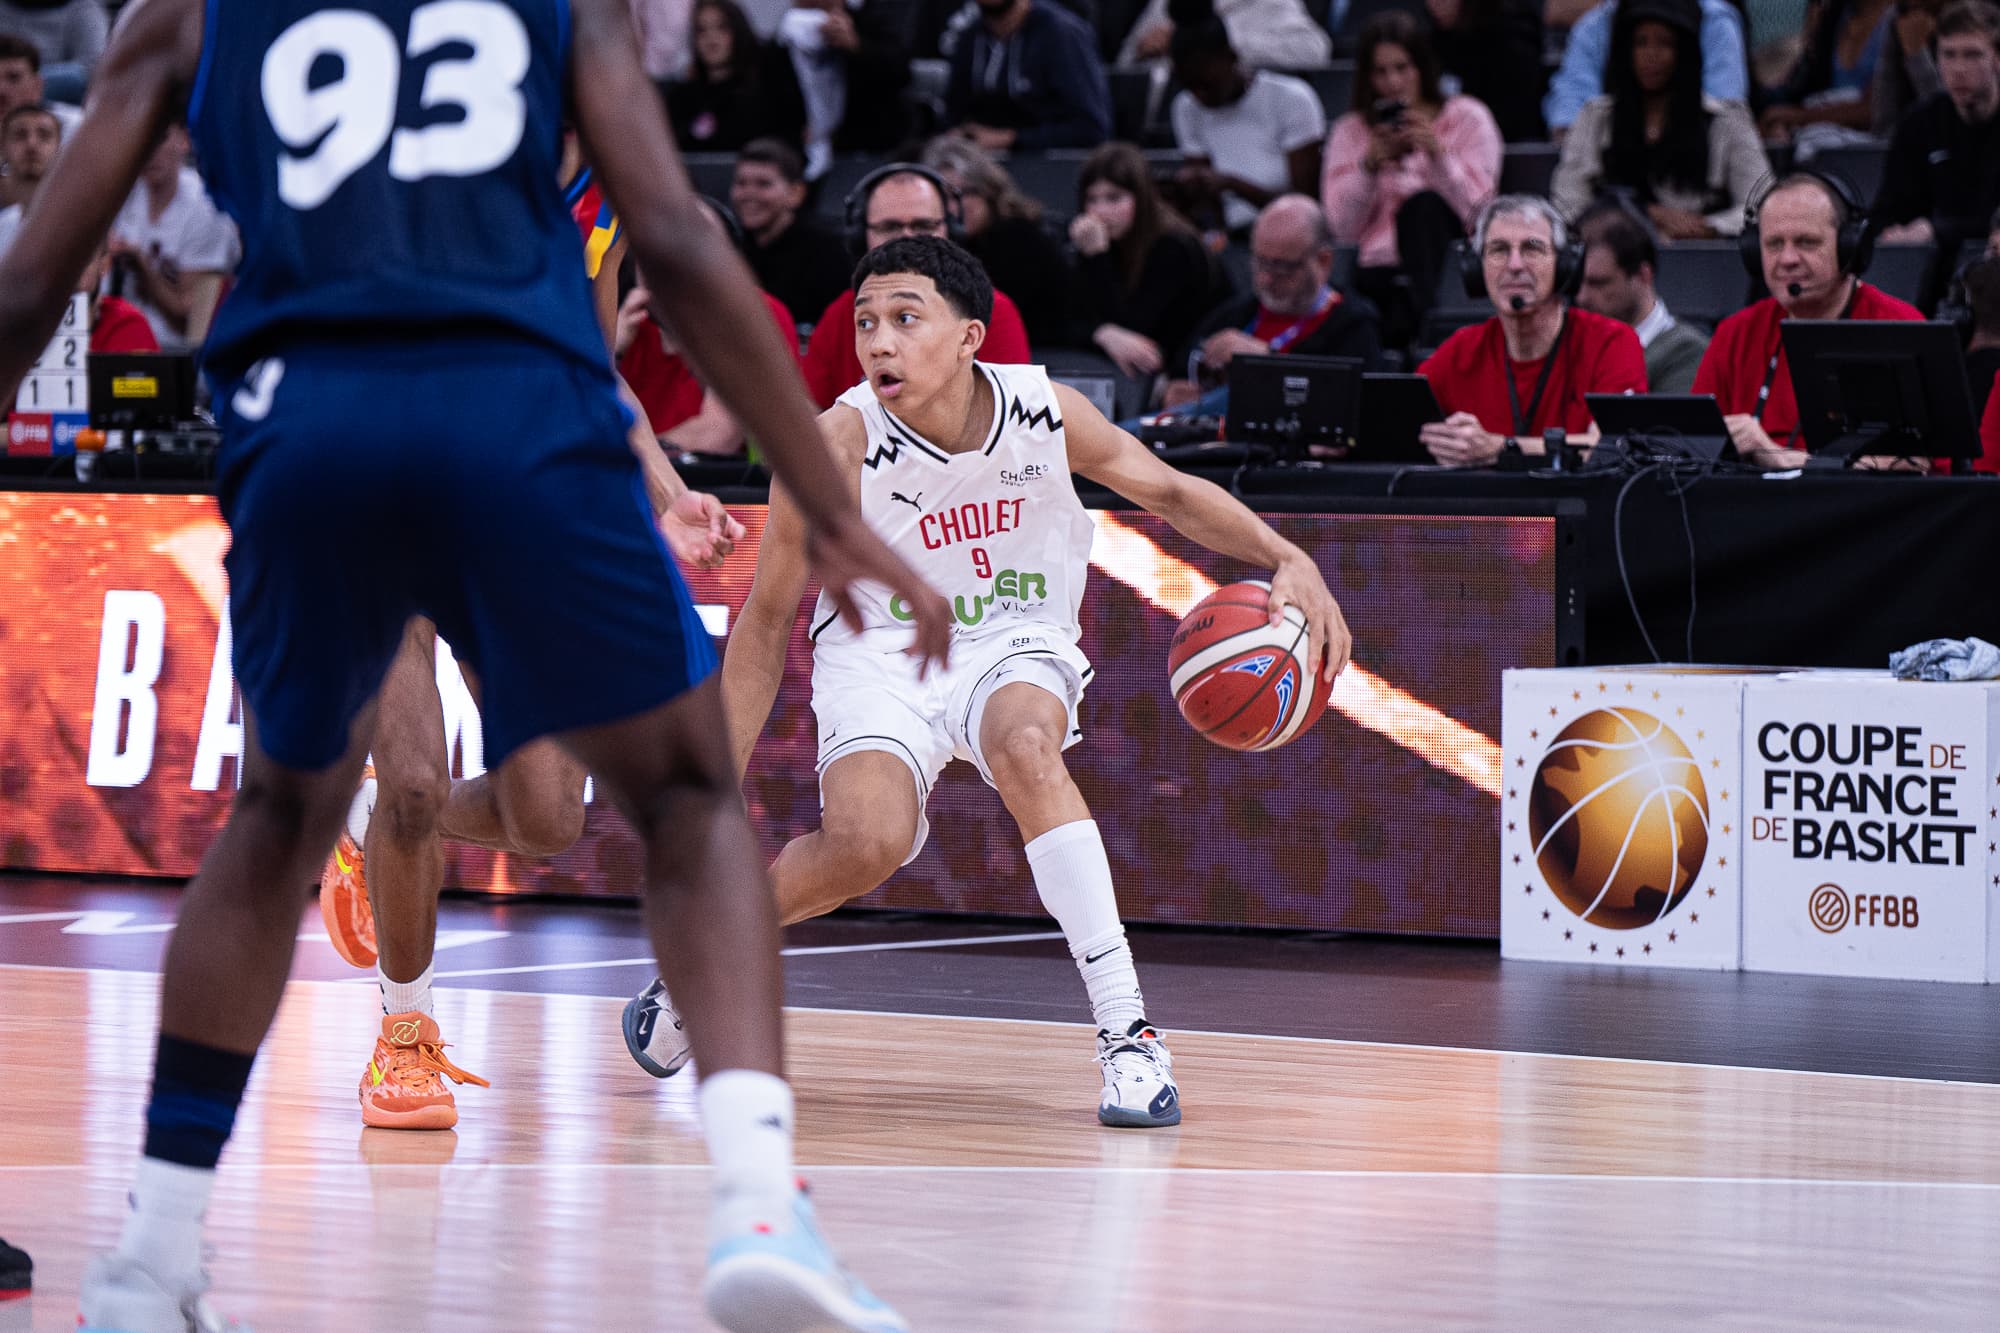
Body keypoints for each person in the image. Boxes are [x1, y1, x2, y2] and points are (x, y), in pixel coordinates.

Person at [0, 4, 950, 1332]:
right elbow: (681, 240)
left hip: (310, 420)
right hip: (517, 416)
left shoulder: (190, 13)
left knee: (276, 818)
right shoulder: (558, 7)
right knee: (686, 800)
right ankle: (756, 1208)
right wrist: (823, 495)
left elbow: (29, 283)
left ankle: (150, 1261)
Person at [622, 234, 1351, 1127]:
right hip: (880, 652)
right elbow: (767, 621)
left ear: (970, 337)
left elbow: (1166, 489)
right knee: (868, 843)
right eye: (865, 323)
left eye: (905, 318)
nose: (880, 341)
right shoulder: (834, 444)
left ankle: (1128, 1034)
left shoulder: (1044, 411)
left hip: (1013, 635)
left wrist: (1285, 555)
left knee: (1026, 744)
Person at [314, 160, 754, 1130]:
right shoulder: (408, 154)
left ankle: (363, 818)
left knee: (546, 818)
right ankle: (404, 1036)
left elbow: (590, 374)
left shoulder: (599, 203)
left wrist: (667, 492)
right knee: (419, 781)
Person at [1692, 172, 1924, 467]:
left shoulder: (1898, 327)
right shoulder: (1735, 334)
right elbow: (1693, 452)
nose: (1787, 259)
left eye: (1806, 242)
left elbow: (1915, 465)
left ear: (1850, 245)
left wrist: (1784, 459)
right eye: (1774, 244)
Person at [1417, 195, 1649, 464]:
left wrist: (1501, 448)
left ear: (1565, 265)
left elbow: (1612, 449)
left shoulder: (1612, 342)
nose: (1515, 265)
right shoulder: (1459, 352)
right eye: (1499, 250)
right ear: (1476, 269)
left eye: (1532, 248)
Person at [1321, 11, 1502, 349]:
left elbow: (1481, 216)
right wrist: (1368, 170)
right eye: (1380, 72)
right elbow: (1340, 231)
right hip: (1374, 273)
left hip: (1447, 267)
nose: (1392, 83)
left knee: (1423, 207)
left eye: (1402, 68)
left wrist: (1437, 158)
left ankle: (1432, 333)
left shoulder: (1468, 118)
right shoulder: (1350, 131)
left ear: (1422, 68)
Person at [801, 164, 1032, 408]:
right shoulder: (841, 312)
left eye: (923, 226)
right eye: (889, 227)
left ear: (951, 231)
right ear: (860, 236)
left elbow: (1009, 417)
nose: (907, 239)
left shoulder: (992, 309)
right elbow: (808, 414)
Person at [1550, 0, 1767, 239]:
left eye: (1664, 43)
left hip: (1705, 251)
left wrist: (1708, 227)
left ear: (1685, 51)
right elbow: (1567, 203)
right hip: (1616, 250)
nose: (1651, 55)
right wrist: (1641, 215)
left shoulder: (1726, 120)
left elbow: (1761, 203)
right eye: (1640, 43)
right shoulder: (1595, 118)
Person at [1159, 194, 1382, 416]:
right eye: (1261, 262)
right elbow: (1180, 370)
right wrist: (1176, 390)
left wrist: (1270, 362)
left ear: (1323, 261)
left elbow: (1355, 402)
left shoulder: (1352, 324)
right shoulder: (1237, 313)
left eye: (1282, 267)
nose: (1266, 278)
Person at [618, 237, 804, 451]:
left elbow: (717, 437)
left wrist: (624, 453)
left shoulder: (750, 310)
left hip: (723, 472)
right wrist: (611, 354)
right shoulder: (627, 326)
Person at [1872, 0, 2000, 289]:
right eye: (1948, 55)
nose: (1958, 69)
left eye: (1972, 55)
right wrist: (1894, 232)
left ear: (1997, 58)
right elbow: (1888, 210)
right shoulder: (1920, 123)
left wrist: (1935, 230)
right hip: (1925, 272)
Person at [1067, 141, 1215, 382]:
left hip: (1191, 376)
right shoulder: (1101, 245)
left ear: (1141, 198)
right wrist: (1099, 333)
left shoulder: (1173, 247)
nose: (1100, 211)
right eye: (1092, 199)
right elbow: (1073, 317)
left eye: (1114, 198)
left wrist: (1096, 258)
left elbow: (1133, 332)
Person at [1167, 19, 1326, 239]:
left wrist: (1233, 185)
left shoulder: (1292, 98)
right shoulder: (1186, 107)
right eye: (1189, 86)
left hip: (1289, 232)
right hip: (1227, 236)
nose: (1199, 96)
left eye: (1207, 85)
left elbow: (1305, 205)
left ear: (1231, 58)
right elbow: (1206, 201)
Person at [920, 135, 1074, 349]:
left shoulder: (1019, 238)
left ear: (988, 191)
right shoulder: (941, 243)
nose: (954, 207)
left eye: (964, 193)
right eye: (943, 196)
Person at [106, 124, 240, 353]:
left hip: (178, 355)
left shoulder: (206, 207)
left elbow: (189, 318)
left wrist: (142, 267)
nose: (150, 150)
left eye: (161, 138)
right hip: (121, 344)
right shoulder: (123, 192)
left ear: (184, 140)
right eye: (143, 139)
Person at [1543, 0, 1748, 139]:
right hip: (1613, 162)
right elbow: (1569, 111)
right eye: (1641, 42)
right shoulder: (1595, 24)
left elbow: (1726, 115)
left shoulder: (1715, 20)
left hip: (1697, 162)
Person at [943, 0, 1111, 151]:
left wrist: (1010, 139)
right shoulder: (970, 38)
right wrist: (957, 135)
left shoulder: (1060, 34)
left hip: (1049, 165)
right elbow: (953, 115)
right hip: (977, 163)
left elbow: (1092, 130)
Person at [1575, 202, 1708, 392]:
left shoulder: (1687, 353)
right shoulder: (1570, 346)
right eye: (1577, 283)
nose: (1582, 297)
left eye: (1599, 283)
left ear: (1643, 275)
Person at [730, 137, 850, 328]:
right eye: (741, 183)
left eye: (763, 184)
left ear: (796, 193)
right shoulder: (727, 248)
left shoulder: (829, 252)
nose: (748, 194)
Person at [665, 0, 806, 152]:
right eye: (701, 30)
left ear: (738, 31)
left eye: (722, 27)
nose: (711, 38)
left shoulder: (768, 90)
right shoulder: (683, 99)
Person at [1760, 0, 1898, 145]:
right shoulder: (1833, 17)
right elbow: (1799, 90)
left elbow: (1874, 110)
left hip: (1869, 144)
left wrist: (1797, 117)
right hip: (1818, 134)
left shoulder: (1897, 20)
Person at [1427, 0, 1548, 143]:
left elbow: (1514, 116)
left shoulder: (1513, 37)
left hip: (1505, 144)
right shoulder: (1434, 40)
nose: (1434, 3)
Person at [1116, 0, 1332, 70]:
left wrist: (1217, 42)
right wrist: (1142, 50)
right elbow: (1122, 64)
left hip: (1243, 116)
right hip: (1165, 120)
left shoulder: (1272, 3)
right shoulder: (1165, 4)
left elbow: (1314, 49)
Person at [0, 100, 57, 251]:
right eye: (20, 135)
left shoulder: (80, 220)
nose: (32, 144)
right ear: (3, 148)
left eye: (44, 135)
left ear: (60, 149)